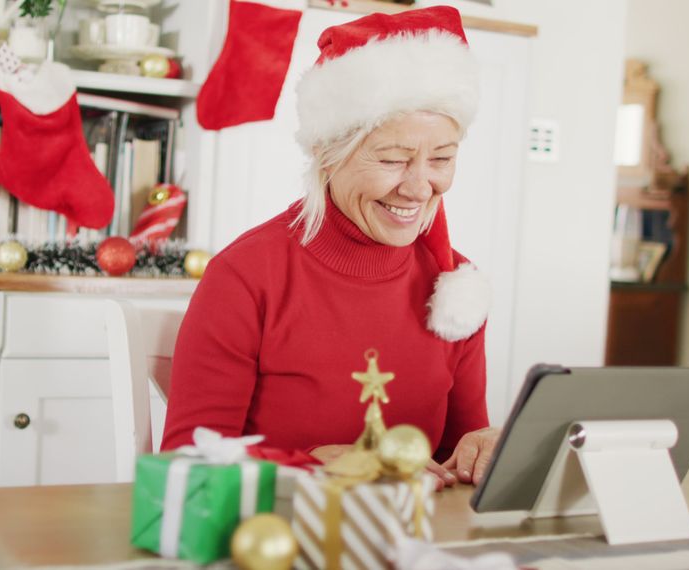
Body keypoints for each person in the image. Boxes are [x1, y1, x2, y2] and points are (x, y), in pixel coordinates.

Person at [161, 5, 499, 488]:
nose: (420, 187)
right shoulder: (246, 276)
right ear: (327, 154)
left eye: (442, 158)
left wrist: (483, 450)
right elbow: (185, 469)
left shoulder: (455, 289)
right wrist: (312, 464)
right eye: (393, 159)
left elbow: (456, 463)